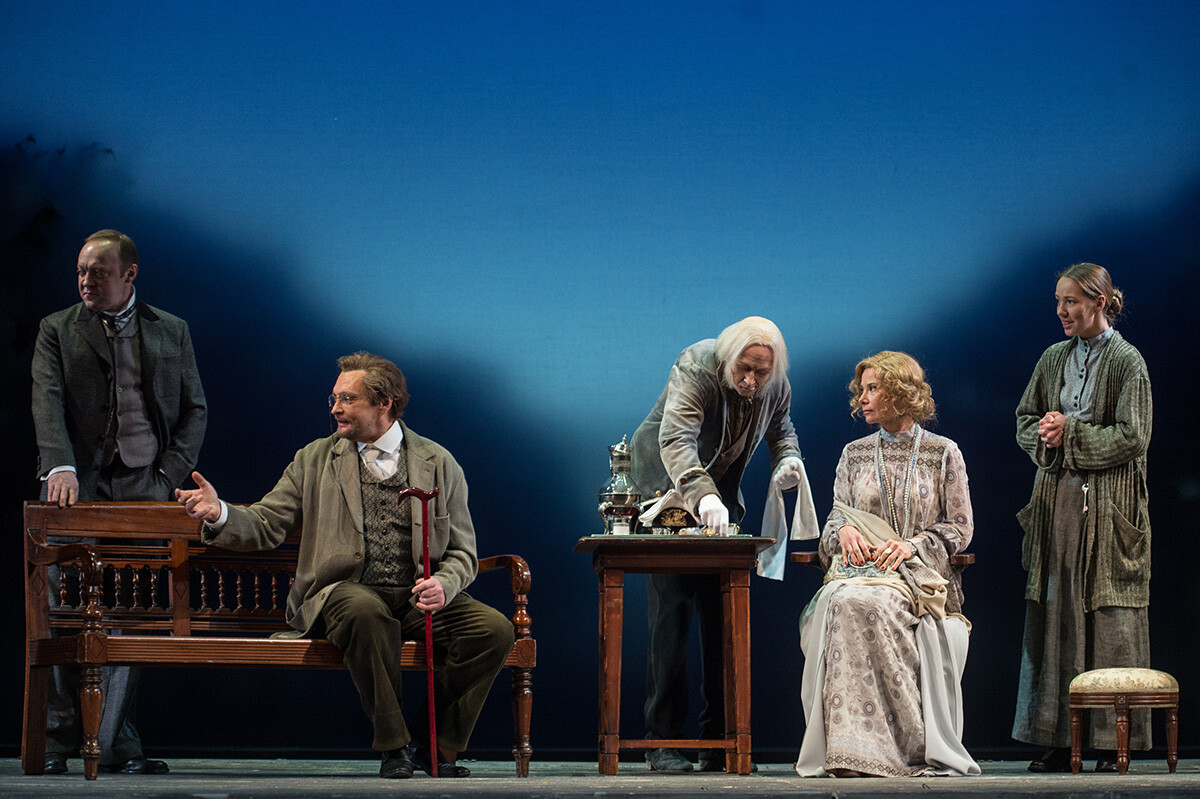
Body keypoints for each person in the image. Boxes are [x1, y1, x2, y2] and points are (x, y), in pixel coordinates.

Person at [175, 352, 515, 779]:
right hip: (343, 594)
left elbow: (463, 552)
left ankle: (436, 747)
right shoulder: (315, 458)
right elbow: (267, 522)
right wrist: (220, 512)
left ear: (384, 402)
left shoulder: (438, 462)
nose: (334, 408)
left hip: (415, 598)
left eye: (347, 399)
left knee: (494, 630)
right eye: (333, 399)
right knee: (365, 612)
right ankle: (395, 748)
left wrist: (445, 584)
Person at [32, 229, 207, 775]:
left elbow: (194, 411)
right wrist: (59, 464)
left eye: (99, 272)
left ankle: (120, 742)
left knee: (132, 614)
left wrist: (165, 478)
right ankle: (64, 742)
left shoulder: (170, 330)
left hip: (143, 489)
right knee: (65, 613)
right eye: (81, 271)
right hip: (75, 488)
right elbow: (48, 397)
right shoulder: (56, 329)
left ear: (130, 274)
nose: (86, 281)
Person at [630, 316, 808, 773]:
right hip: (665, 486)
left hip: (720, 495)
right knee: (671, 613)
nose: (751, 380)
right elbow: (676, 439)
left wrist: (788, 459)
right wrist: (702, 493)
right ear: (728, 358)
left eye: (761, 373)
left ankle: (718, 741)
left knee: (723, 616)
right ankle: (663, 742)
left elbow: (782, 429)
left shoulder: (775, 384)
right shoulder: (697, 364)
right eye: (743, 369)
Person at [795, 351, 978, 778]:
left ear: (900, 391)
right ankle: (848, 749)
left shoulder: (942, 453)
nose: (863, 398)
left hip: (915, 577)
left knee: (871, 606)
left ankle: (903, 745)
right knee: (844, 602)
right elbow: (836, 516)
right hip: (857, 573)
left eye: (873, 388)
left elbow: (960, 527)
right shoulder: (853, 454)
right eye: (861, 390)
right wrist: (842, 532)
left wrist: (913, 546)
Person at [1012, 263, 1153, 774]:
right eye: (1057, 301)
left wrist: (1069, 433)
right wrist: (1047, 433)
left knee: (1109, 617)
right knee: (1056, 611)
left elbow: (1133, 435)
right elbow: (1025, 420)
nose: (1061, 311)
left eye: (1071, 301)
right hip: (1058, 505)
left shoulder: (1127, 362)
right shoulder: (1053, 359)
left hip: (1109, 509)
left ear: (1098, 301)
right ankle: (1056, 735)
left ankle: (1110, 740)